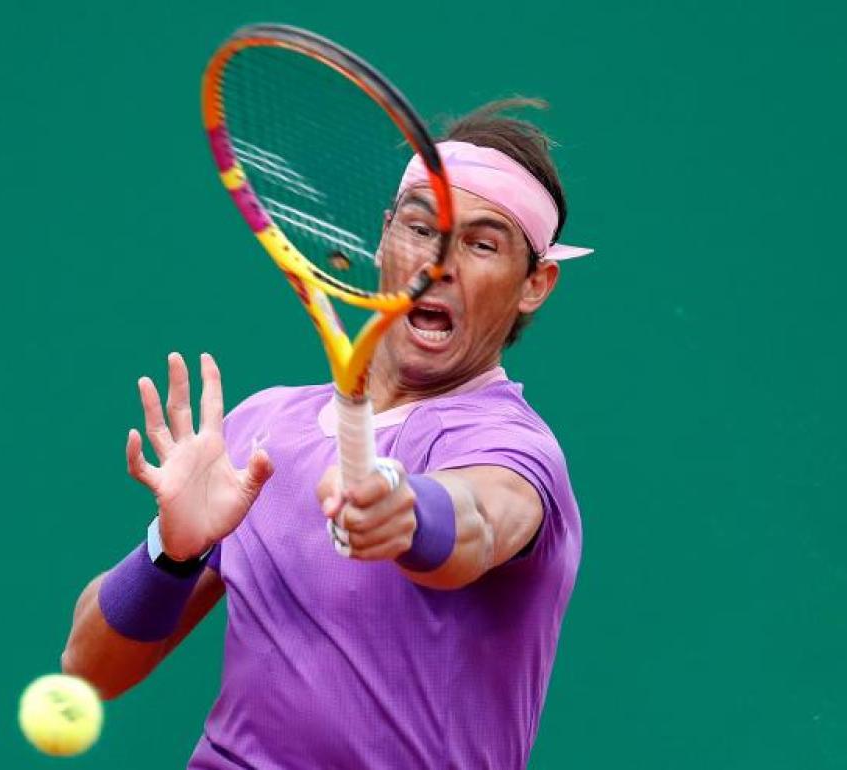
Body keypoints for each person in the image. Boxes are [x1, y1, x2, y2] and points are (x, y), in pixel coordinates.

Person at [62, 99, 590, 769]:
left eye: (481, 244)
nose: (439, 264)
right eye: (421, 228)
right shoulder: (263, 431)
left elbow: (480, 520)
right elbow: (90, 669)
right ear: (385, 236)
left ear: (535, 284)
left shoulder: (513, 448)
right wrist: (171, 553)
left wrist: (402, 509)